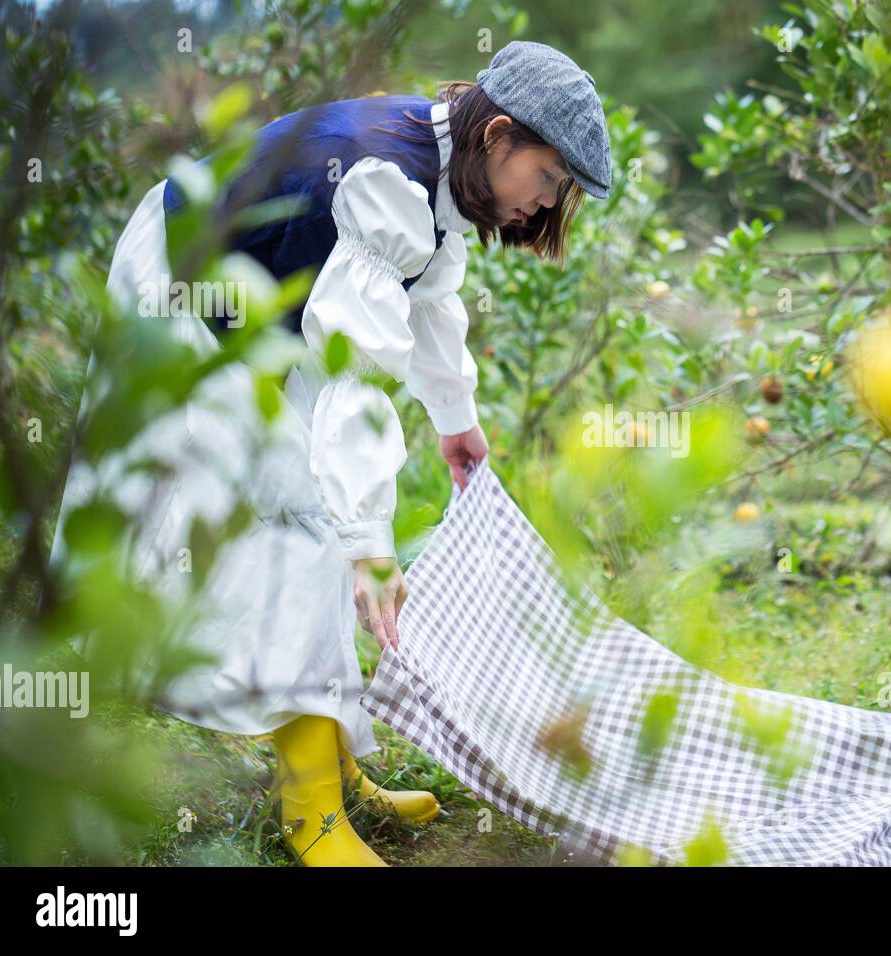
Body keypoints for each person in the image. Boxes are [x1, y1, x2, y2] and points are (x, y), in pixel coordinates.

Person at [48, 40, 612, 866]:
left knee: (315, 514)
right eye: (552, 178)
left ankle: (334, 764)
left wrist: (454, 415)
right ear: (497, 137)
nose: (545, 203)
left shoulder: (436, 173)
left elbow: (430, 293)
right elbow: (354, 382)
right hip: (188, 276)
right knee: (301, 528)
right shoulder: (388, 175)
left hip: (268, 293)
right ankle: (308, 809)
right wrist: (370, 545)